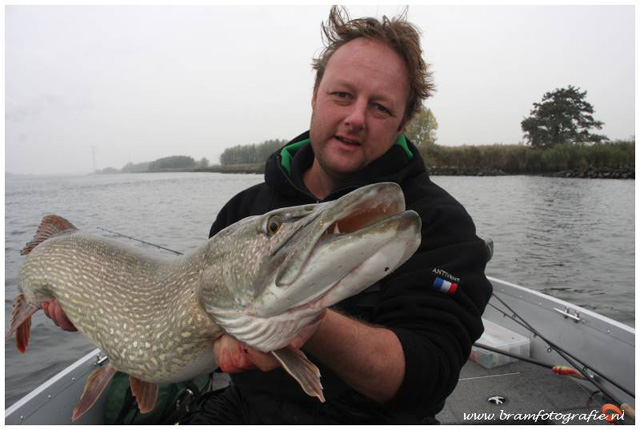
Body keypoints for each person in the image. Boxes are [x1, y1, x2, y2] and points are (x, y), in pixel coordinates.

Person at [46, 6, 493, 424]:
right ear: (316, 96)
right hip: (247, 410)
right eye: (342, 95)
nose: (356, 118)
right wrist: (96, 314)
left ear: (403, 121)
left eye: (380, 107)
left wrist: (306, 321)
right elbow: (208, 341)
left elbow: (429, 376)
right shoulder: (243, 211)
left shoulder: (440, 224)